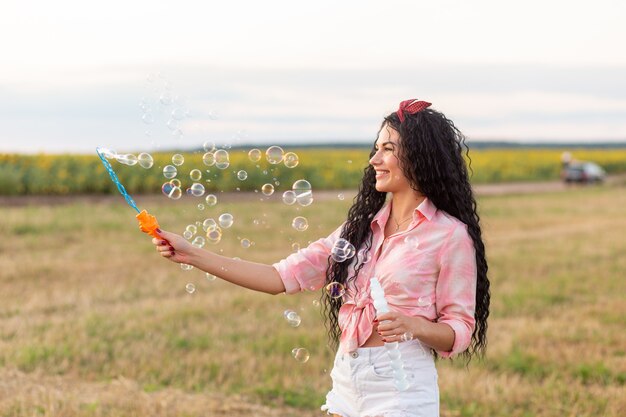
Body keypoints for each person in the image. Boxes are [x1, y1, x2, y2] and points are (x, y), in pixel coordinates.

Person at [152, 99, 490, 417]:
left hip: (402, 386)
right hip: (347, 377)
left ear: (420, 156)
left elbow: (459, 327)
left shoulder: (449, 236)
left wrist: (416, 326)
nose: (374, 160)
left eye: (388, 149)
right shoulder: (358, 230)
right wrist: (191, 254)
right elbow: (277, 277)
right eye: (376, 149)